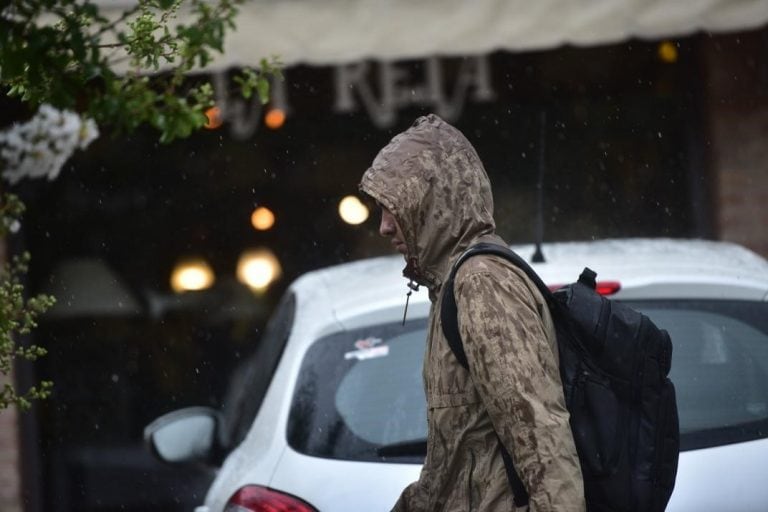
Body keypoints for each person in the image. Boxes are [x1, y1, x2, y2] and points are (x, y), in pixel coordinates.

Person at [359, 114, 585, 512]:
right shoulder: (449, 285)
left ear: (430, 202)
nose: (384, 227)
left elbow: (540, 434)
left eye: (394, 208)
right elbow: (459, 458)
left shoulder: (480, 284)